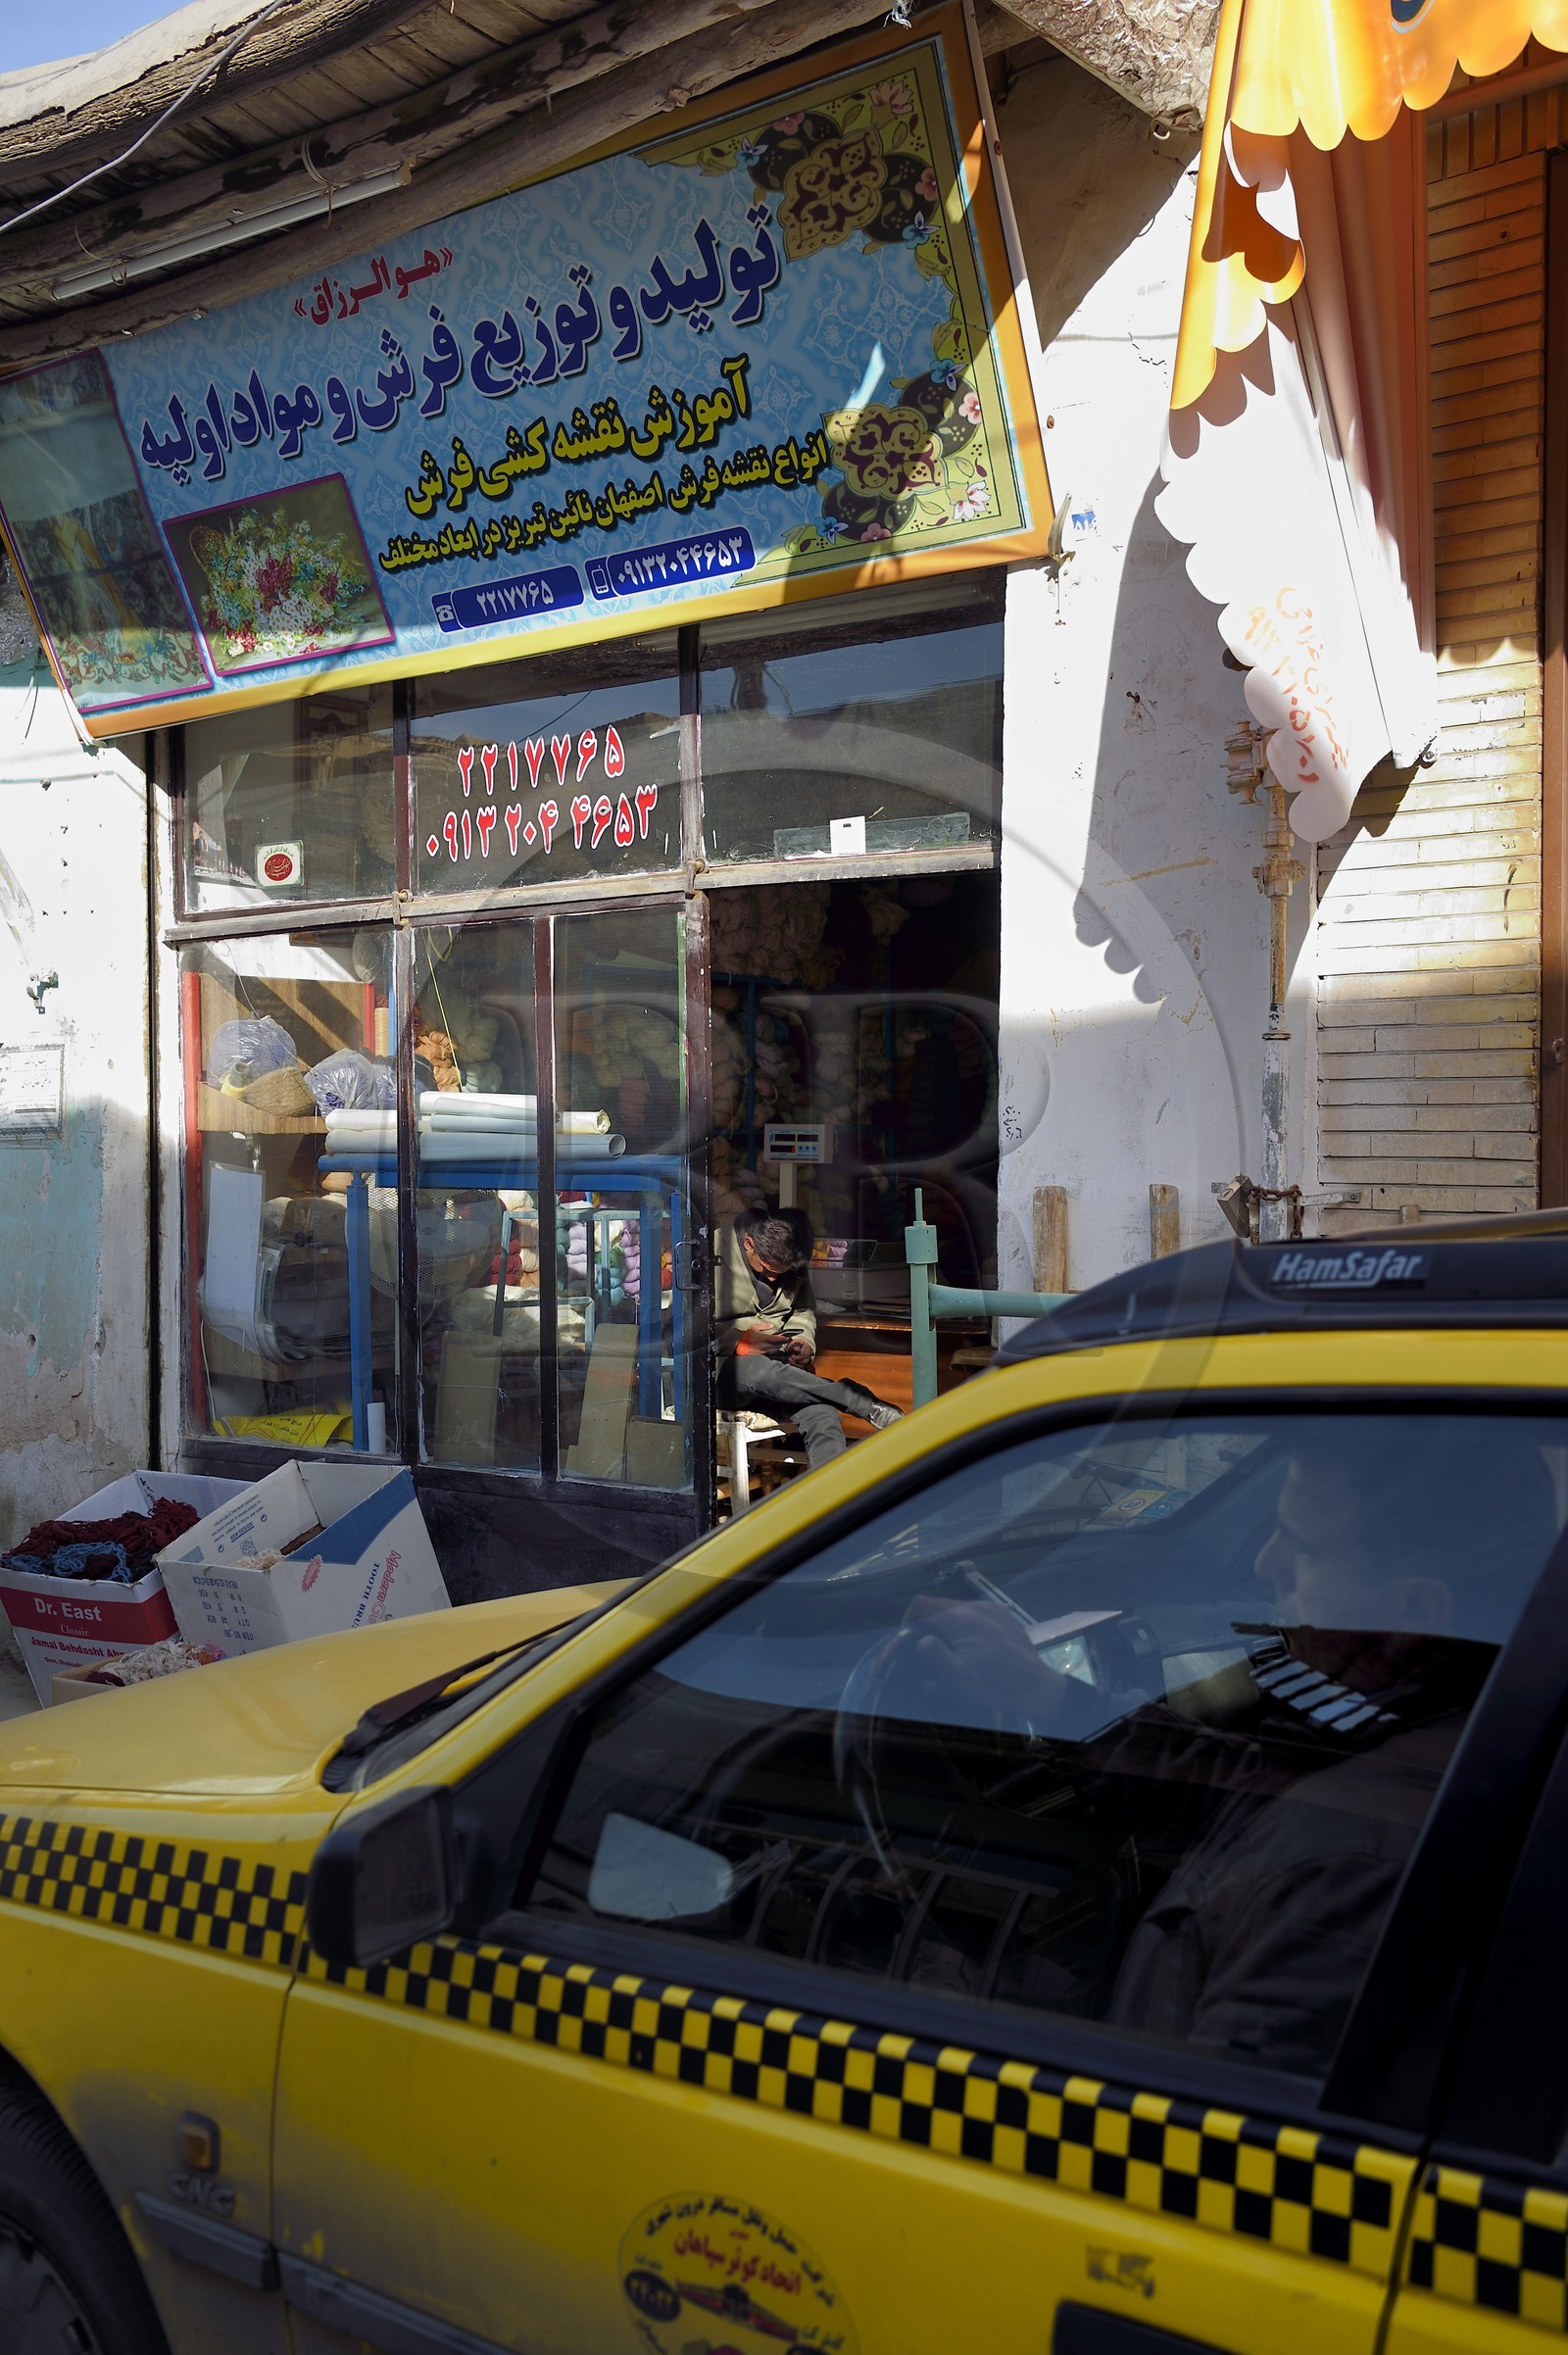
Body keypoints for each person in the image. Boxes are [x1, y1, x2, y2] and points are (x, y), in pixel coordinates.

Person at [715, 1207, 903, 1470]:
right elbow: (683, 1331)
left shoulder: (788, 1261)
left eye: (781, 1272)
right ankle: (860, 1401)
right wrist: (740, 1341)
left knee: (823, 1415)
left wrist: (803, 1343)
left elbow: (802, 1311)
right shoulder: (707, 1255)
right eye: (769, 1270)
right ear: (748, 1244)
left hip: (784, 1376)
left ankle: (832, 1502)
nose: (774, 1278)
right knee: (758, 1371)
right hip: (722, 1376)